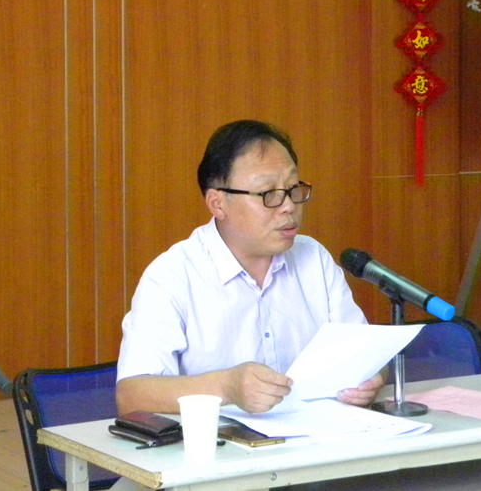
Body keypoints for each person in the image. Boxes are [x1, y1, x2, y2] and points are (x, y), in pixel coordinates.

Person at [115, 119, 384, 417]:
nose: (288, 206)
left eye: (293, 188)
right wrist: (227, 387)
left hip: (319, 436)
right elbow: (132, 395)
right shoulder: (172, 276)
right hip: (217, 442)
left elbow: (366, 353)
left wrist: (371, 378)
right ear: (218, 203)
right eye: (268, 193)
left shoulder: (313, 258)